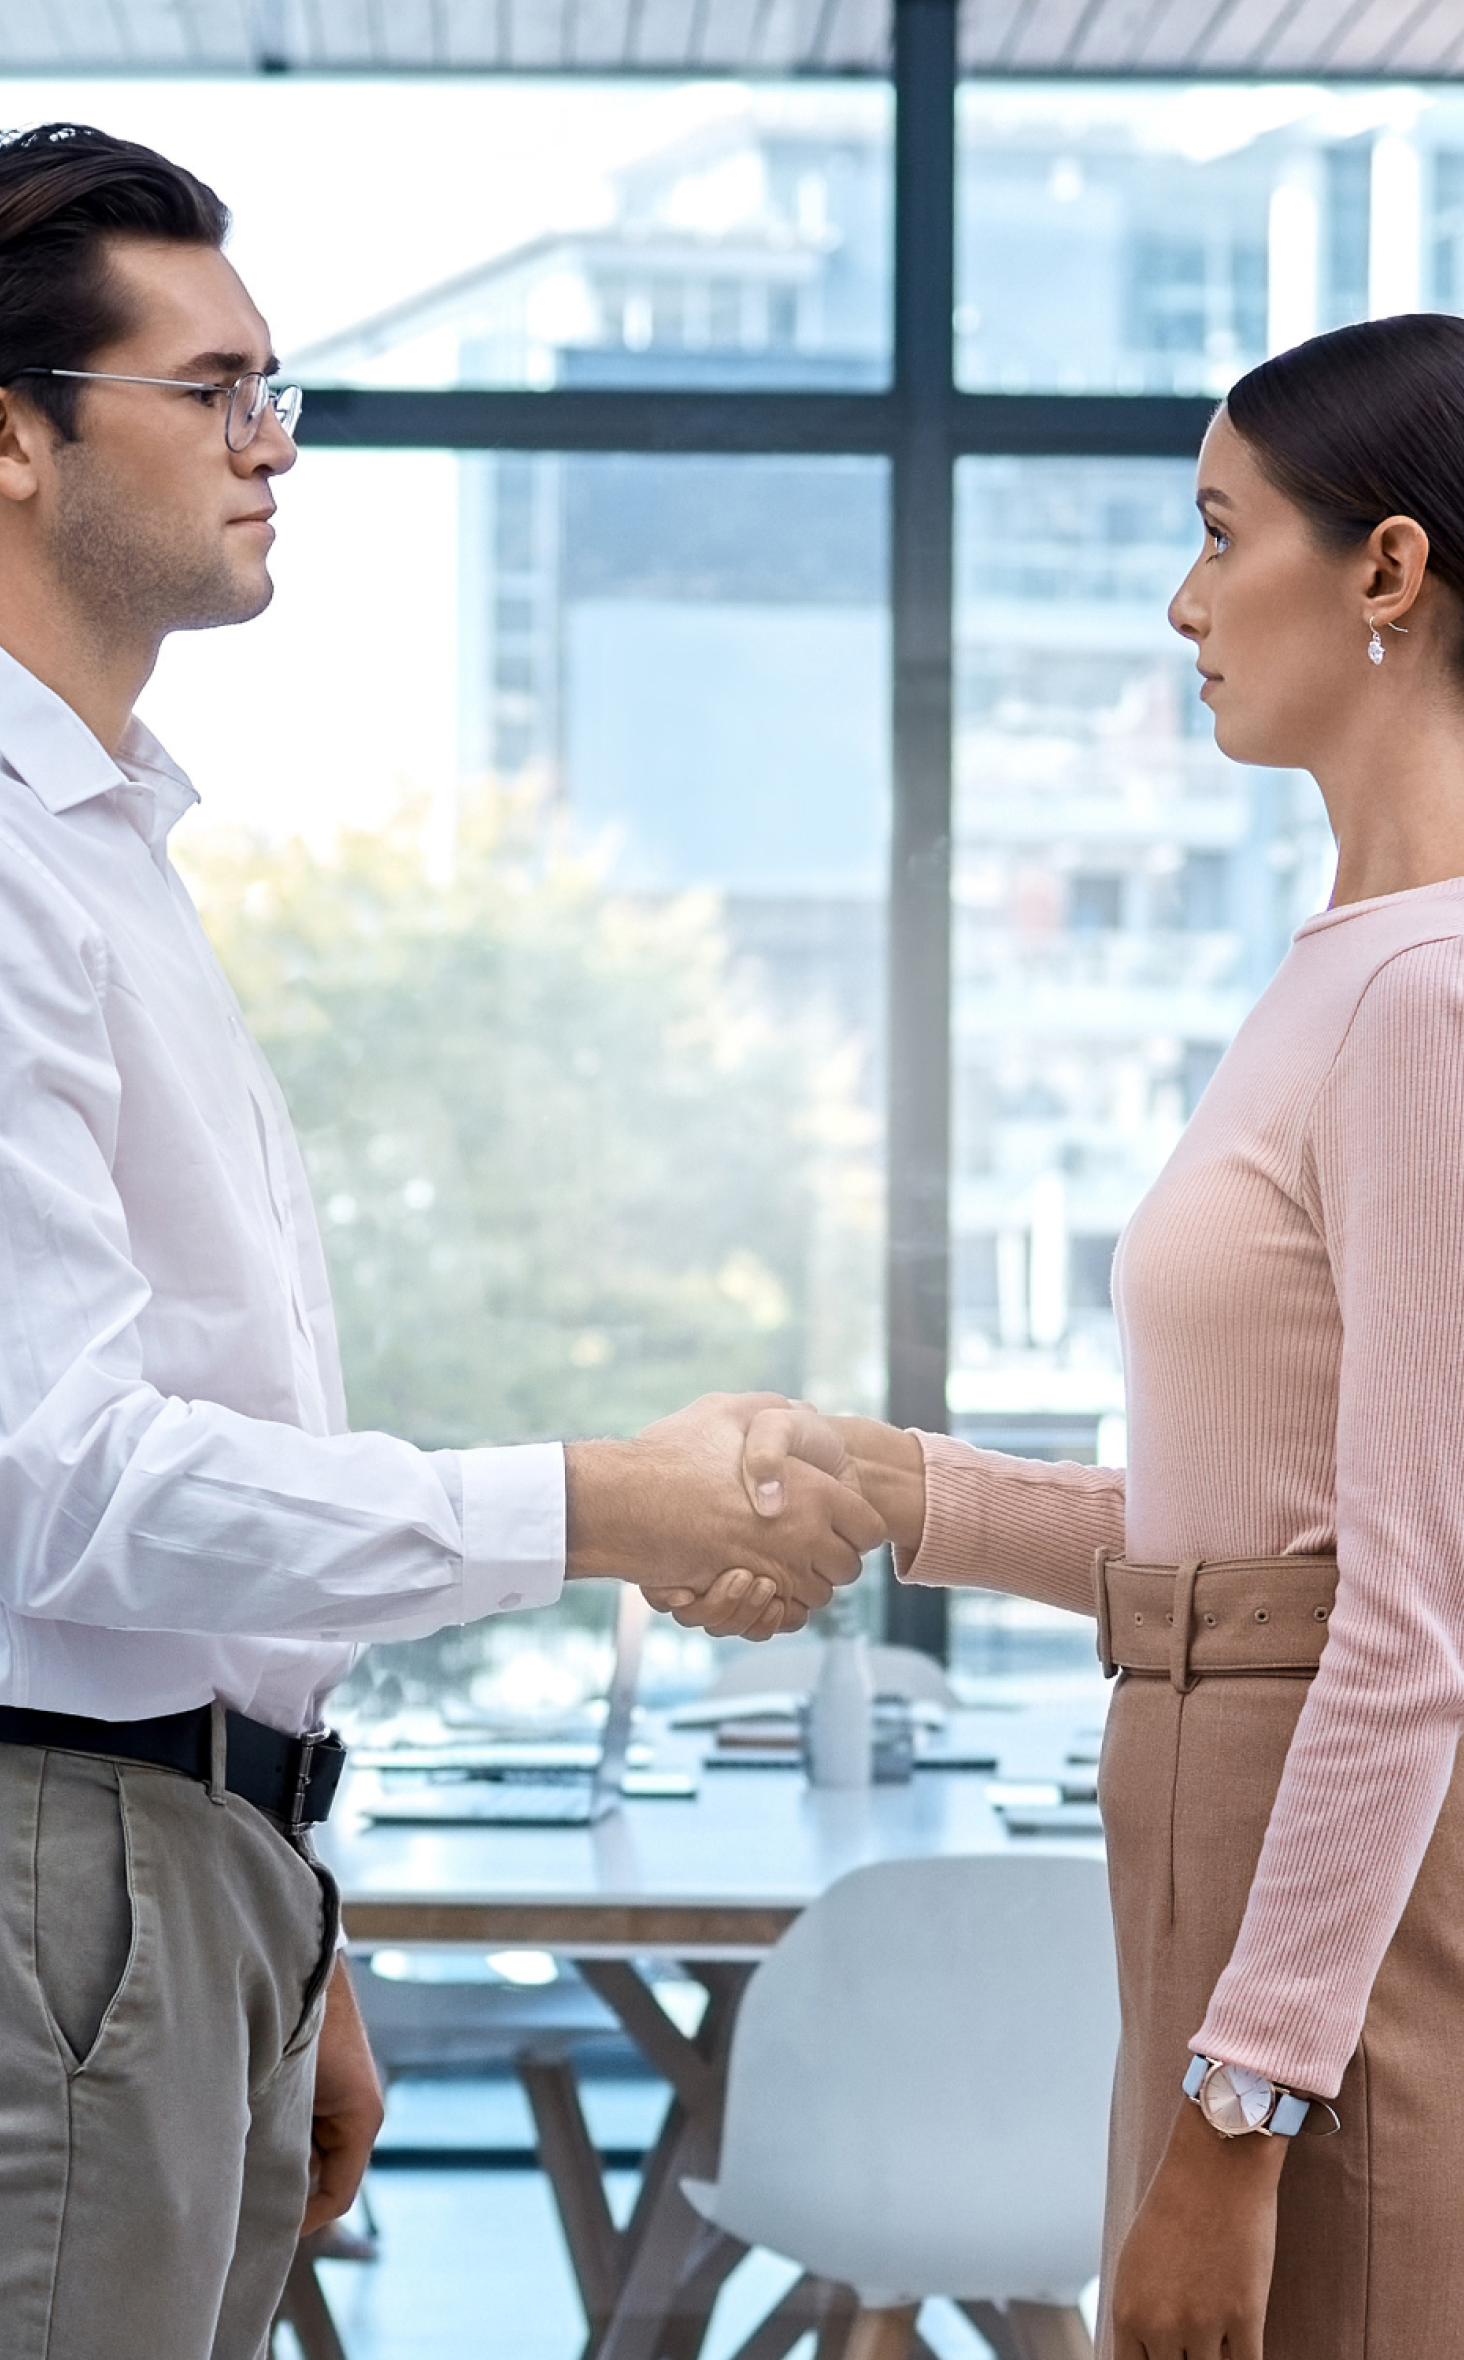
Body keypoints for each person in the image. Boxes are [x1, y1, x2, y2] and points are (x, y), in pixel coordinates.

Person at [0, 121, 885, 2360]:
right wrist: (603, 1505)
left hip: (182, 1877)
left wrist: (299, 1919)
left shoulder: (105, 847)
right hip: (61, 1881)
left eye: (274, 383)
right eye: (212, 391)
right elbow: (63, 1481)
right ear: (13, 436)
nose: (269, 442)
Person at [750, 311, 1464, 2356]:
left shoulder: (1424, 996)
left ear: (1389, 571)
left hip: (1321, 1947)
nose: (1185, 600)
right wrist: (907, 1491)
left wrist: (1238, 2120)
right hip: (1215, 1851)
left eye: (1223, 533)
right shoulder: (1339, 974)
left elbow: (1410, 1614)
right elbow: (1252, 1540)